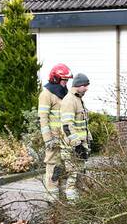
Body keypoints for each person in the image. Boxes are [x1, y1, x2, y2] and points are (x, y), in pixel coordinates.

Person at [38, 64, 72, 193]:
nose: (66, 82)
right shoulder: (46, 94)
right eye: (64, 80)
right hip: (53, 139)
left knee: (64, 167)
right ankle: (52, 199)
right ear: (55, 79)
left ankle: (63, 199)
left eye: (67, 80)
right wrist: (48, 139)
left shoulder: (65, 93)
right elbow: (43, 118)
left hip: (65, 139)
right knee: (53, 167)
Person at [60, 73, 92, 199]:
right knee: (72, 176)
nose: (87, 88)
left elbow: (83, 125)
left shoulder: (78, 99)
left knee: (80, 175)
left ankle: (79, 204)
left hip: (80, 146)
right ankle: (71, 205)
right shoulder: (70, 100)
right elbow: (67, 126)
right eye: (85, 85)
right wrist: (77, 145)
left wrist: (89, 141)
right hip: (72, 147)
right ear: (78, 85)